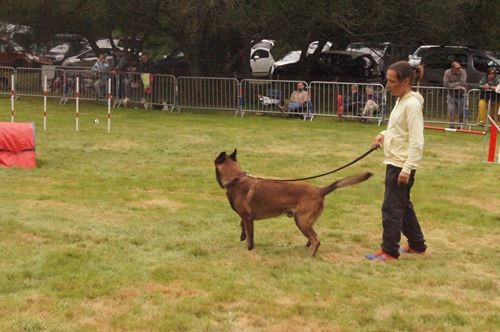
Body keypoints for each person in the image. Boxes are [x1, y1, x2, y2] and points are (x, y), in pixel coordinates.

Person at [367, 61, 427, 261]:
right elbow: (398, 129)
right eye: (388, 81)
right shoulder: (401, 100)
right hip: (395, 161)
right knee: (403, 205)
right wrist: (383, 134)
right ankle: (417, 245)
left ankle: (389, 251)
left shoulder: (411, 105)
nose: (388, 85)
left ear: (406, 81)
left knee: (391, 208)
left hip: (401, 165)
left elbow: (417, 141)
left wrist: (407, 168)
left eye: (392, 81)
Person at [443, 61, 467, 128]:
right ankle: (451, 125)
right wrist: (456, 86)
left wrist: (452, 85)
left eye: (459, 68)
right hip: (451, 95)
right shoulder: (447, 73)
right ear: (452, 68)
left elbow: (462, 82)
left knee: (461, 111)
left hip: (462, 95)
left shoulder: (463, 72)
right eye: (457, 68)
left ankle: (460, 125)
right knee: (451, 110)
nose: (459, 70)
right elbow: (446, 84)